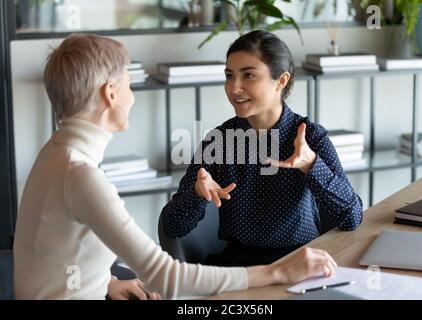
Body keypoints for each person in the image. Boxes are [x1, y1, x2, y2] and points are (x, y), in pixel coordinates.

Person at [13, 33, 337, 300]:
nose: (132, 96)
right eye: (129, 85)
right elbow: (165, 273)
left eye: (248, 75)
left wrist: (106, 283)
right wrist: (279, 271)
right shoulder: (81, 175)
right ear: (111, 94)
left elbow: (60, 256)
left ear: (281, 81)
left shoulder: (55, 154)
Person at [161, 30, 363, 267]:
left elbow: (352, 217)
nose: (234, 87)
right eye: (229, 75)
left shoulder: (311, 138)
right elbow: (172, 227)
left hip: (303, 263)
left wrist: (311, 165)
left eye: (248, 75)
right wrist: (196, 194)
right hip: (240, 270)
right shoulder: (218, 141)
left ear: (281, 80)